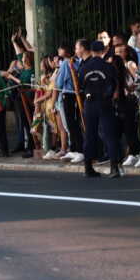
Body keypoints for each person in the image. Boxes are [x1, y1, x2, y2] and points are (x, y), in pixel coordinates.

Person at [79, 41, 123, 178]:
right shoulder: (108, 67)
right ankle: (114, 167)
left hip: (89, 103)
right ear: (102, 50)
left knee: (90, 135)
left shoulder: (84, 68)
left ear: (91, 51)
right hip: (105, 102)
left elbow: (81, 85)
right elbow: (115, 84)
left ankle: (88, 167)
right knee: (109, 135)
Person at [56, 42, 86, 163]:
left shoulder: (65, 63)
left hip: (68, 94)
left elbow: (59, 83)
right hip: (77, 95)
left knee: (71, 123)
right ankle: (74, 148)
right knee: (75, 123)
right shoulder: (77, 62)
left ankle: (78, 149)